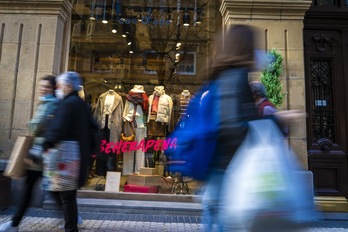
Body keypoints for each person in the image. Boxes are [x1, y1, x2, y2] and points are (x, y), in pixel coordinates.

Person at [201, 25, 258, 231]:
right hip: (228, 169)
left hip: (218, 166)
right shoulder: (236, 76)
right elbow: (232, 126)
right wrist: (273, 123)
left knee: (216, 221)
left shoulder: (220, 75)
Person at [0, 75, 59, 232]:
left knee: (35, 189)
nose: (43, 88)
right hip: (39, 152)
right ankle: (72, 216)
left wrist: (33, 129)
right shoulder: (46, 103)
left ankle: (14, 224)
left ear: (53, 88)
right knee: (51, 189)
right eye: (42, 86)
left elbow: (40, 127)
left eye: (47, 86)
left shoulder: (51, 105)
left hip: (39, 153)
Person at [41, 71, 90, 232]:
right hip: (75, 154)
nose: (58, 89)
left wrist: (47, 143)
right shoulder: (80, 103)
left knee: (65, 194)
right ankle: (71, 224)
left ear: (68, 86)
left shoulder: (68, 103)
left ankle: (71, 227)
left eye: (60, 86)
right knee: (66, 193)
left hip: (67, 155)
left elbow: (58, 127)